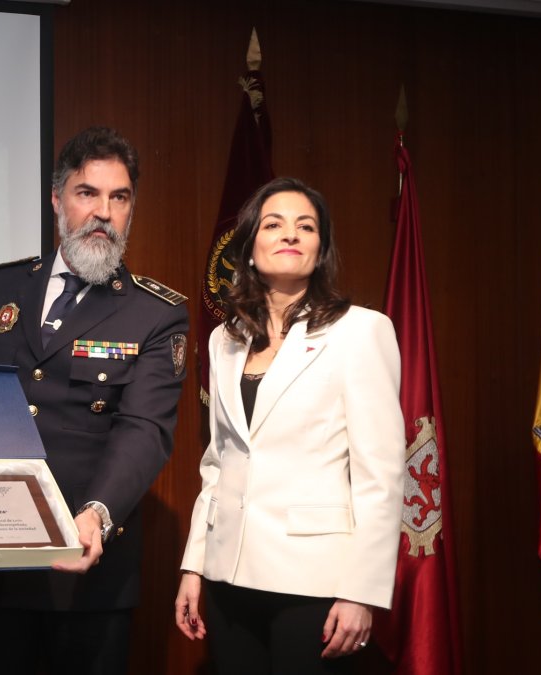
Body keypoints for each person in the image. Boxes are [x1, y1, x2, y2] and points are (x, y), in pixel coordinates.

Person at [0, 127, 189, 675]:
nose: (103, 211)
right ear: (57, 200)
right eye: (87, 193)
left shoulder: (155, 314)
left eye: (119, 197)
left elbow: (144, 428)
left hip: (86, 570)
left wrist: (97, 513)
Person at [173, 177, 405, 673]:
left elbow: (381, 476)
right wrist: (194, 564)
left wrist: (362, 592)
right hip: (227, 575)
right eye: (274, 224)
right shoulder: (223, 339)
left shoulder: (361, 331)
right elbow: (218, 462)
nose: (291, 234)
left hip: (315, 581)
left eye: (306, 226)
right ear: (250, 248)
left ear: (321, 250)